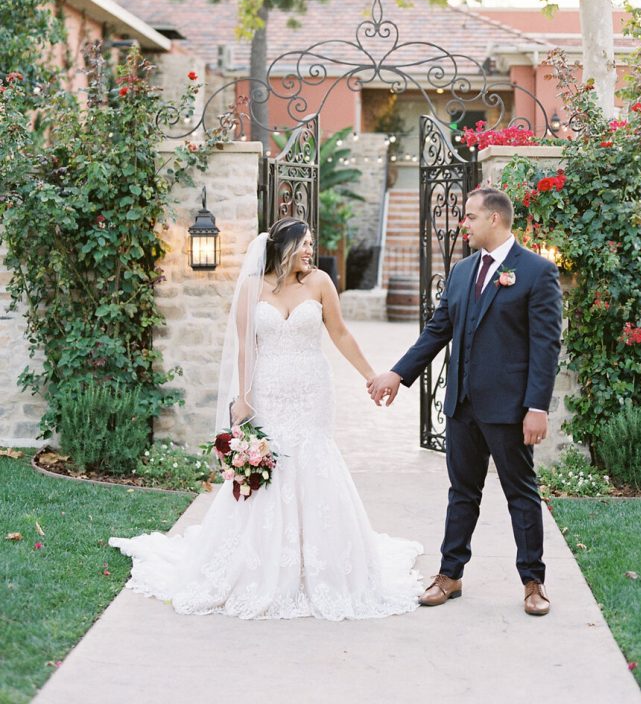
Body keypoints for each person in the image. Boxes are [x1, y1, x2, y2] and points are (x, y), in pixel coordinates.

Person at [109, 217, 422, 620]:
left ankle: (320, 566)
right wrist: (244, 399)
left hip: (312, 390)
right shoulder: (251, 288)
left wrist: (371, 376)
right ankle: (258, 565)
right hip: (270, 391)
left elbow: (341, 333)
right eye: (305, 244)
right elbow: (246, 348)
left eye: (312, 244)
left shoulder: (321, 283)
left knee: (312, 459)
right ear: (284, 246)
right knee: (270, 466)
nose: (311, 250)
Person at [368, 187, 562, 616]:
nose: (464, 224)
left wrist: (537, 407)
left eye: (470, 217)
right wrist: (397, 374)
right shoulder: (460, 272)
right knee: (462, 493)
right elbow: (438, 330)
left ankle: (533, 582)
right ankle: (450, 574)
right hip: (462, 405)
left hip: (510, 409)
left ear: (494, 219)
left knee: (521, 495)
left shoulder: (536, 272)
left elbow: (545, 347)